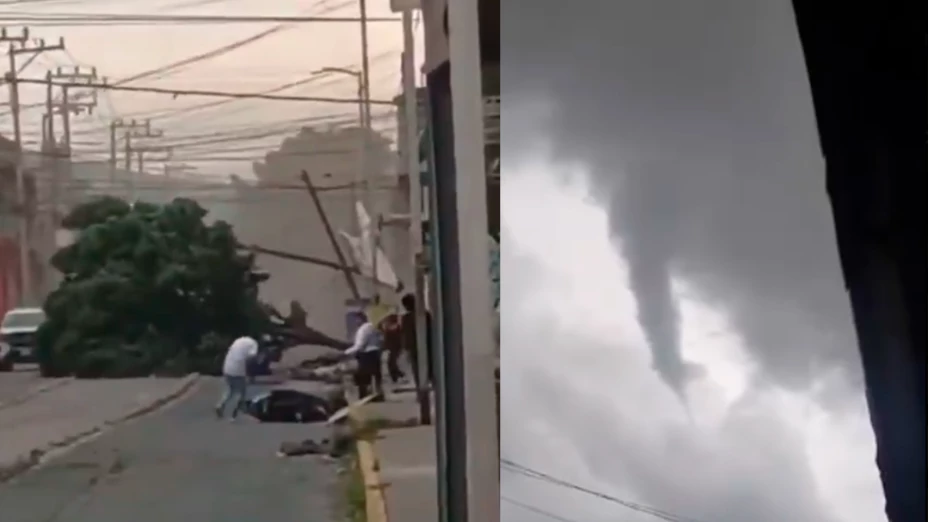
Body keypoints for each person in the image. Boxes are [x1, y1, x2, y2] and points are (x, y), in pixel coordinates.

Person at [215, 335, 259, 420]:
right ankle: (234, 414)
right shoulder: (254, 344)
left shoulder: (238, 340)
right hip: (238, 370)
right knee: (241, 392)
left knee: (230, 390)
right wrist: (251, 374)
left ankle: (220, 405)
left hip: (227, 368)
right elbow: (251, 358)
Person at [344, 312, 384, 400]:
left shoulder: (363, 329)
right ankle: (379, 393)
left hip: (366, 354)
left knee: (364, 376)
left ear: (360, 319)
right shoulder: (373, 327)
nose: (355, 322)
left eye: (356, 320)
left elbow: (359, 345)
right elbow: (381, 339)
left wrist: (346, 353)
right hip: (375, 353)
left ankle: (366, 395)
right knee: (376, 375)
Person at [400, 293, 433, 389]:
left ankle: (421, 390)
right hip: (427, 345)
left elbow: (406, 334)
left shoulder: (406, 318)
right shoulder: (425, 314)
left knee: (417, 371)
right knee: (429, 369)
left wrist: (406, 348)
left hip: (414, 348)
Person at [381, 314, 405, 384]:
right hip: (395, 347)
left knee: (391, 363)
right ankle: (398, 376)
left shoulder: (392, 328)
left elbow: (387, 339)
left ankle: (398, 376)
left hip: (394, 347)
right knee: (391, 362)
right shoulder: (396, 328)